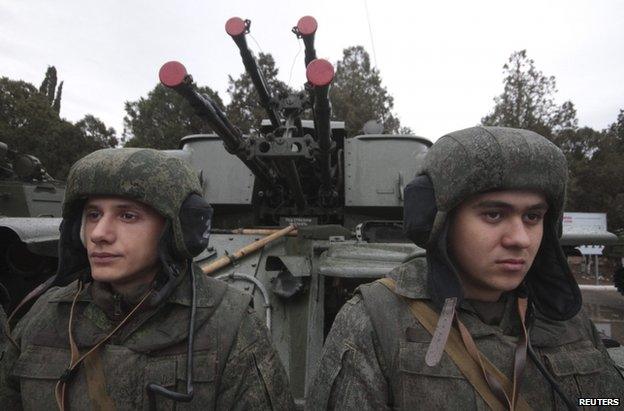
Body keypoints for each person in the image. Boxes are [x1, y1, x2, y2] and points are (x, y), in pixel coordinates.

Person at [308, 126, 624, 410]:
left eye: (532, 217)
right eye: (493, 215)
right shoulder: (375, 321)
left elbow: (605, 401)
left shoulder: (568, 318)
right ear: (440, 223)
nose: (519, 239)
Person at [0, 148, 294, 410]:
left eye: (127, 216)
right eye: (93, 215)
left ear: (177, 231)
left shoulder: (231, 328)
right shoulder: (43, 317)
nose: (99, 233)